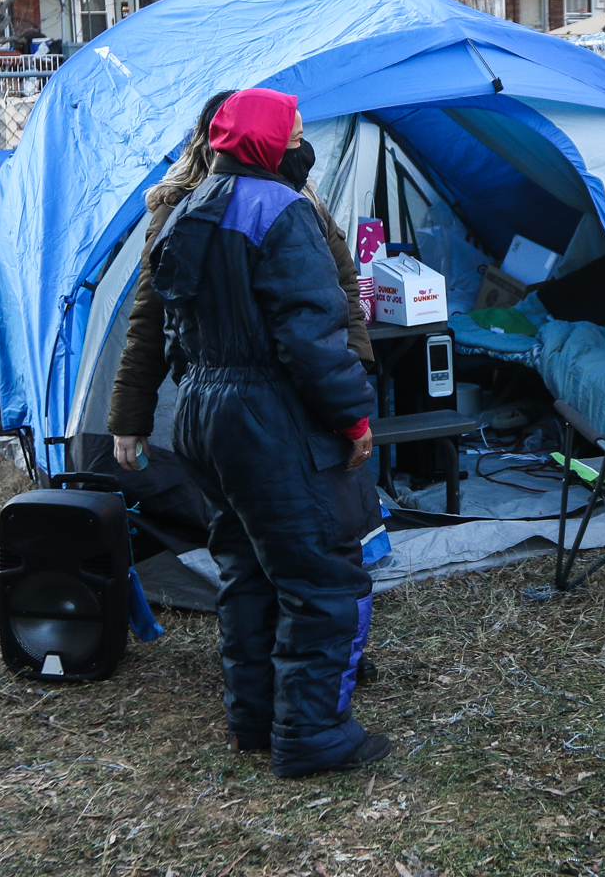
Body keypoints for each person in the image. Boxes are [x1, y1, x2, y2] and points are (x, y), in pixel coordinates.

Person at [149, 87, 386, 776]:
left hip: (201, 415)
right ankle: (313, 736)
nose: (299, 146)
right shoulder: (282, 211)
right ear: (264, 142)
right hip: (266, 416)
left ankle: (253, 718)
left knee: (248, 570)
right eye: (294, 134)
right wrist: (353, 415)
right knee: (322, 577)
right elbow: (312, 334)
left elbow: (174, 325)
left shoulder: (186, 208)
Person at [108, 95, 372, 469]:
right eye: (292, 136)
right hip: (239, 410)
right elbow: (152, 318)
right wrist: (130, 416)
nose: (301, 147)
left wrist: (350, 397)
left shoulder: (299, 201)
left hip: (304, 403)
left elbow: (342, 297)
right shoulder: (184, 212)